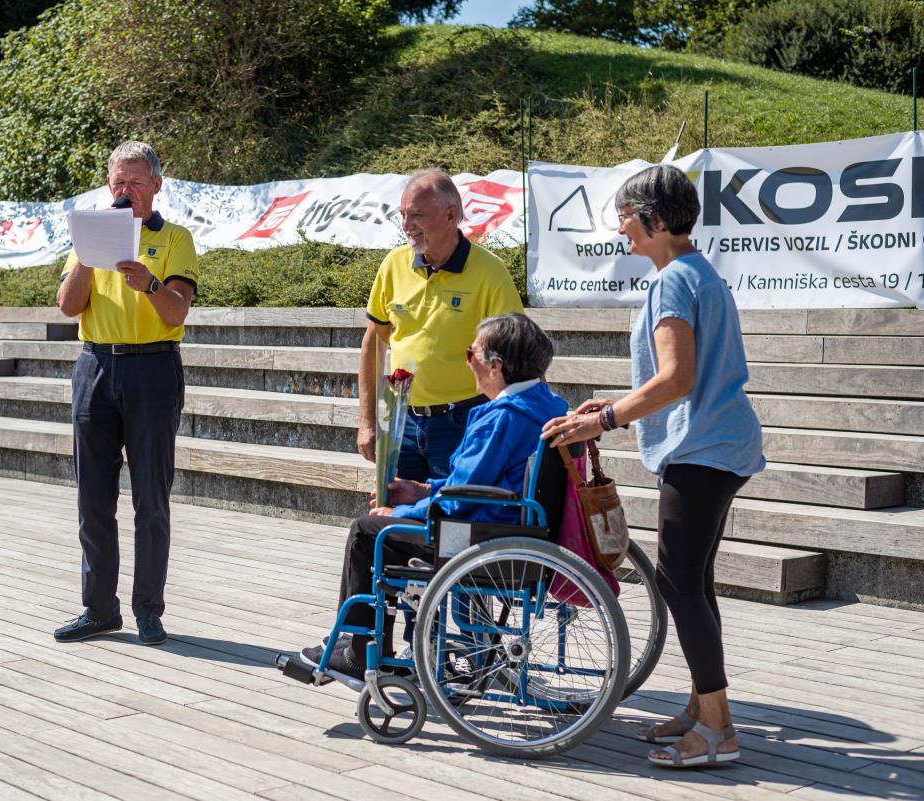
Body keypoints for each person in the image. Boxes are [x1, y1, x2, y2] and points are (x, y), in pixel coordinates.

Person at [542, 165, 764, 768]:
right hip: (719, 444)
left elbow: (676, 379)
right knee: (694, 582)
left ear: (656, 220)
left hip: (703, 448)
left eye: (625, 217)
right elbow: (679, 377)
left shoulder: (672, 282)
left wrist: (607, 419)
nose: (621, 229)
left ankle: (717, 730)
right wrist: (613, 405)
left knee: (679, 583)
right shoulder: (697, 272)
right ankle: (702, 707)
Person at [302, 313, 567, 679]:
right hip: (513, 525)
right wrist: (422, 489)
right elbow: (477, 482)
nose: (468, 363)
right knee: (384, 524)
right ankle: (373, 642)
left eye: (471, 354)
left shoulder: (502, 418)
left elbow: (461, 500)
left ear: (496, 365)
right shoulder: (548, 406)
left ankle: (360, 652)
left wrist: (404, 512)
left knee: (368, 531)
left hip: (481, 534)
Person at [53, 141, 198, 647]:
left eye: (136, 182)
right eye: (118, 182)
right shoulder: (88, 235)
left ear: (157, 185)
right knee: (93, 497)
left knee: (150, 499)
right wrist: (90, 256)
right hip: (94, 364)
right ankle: (99, 609)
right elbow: (68, 306)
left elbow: (176, 312)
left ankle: (148, 610)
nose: (125, 190)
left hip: (152, 368)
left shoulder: (175, 238)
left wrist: (150, 285)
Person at [358, 168, 524, 482]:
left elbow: (518, 352)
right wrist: (367, 421)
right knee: (395, 508)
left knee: (454, 511)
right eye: (403, 215)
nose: (406, 225)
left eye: (416, 215)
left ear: (450, 215)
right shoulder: (393, 264)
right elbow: (374, 342)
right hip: (401, 419)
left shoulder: (490, 271)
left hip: (464, 420)